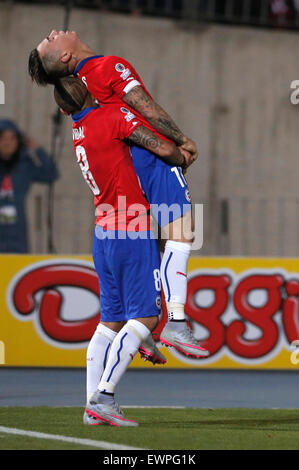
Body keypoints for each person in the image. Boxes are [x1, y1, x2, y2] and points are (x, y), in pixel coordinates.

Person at [28, 30, 209, 360]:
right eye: (49, 40)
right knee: (181, 236)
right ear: (65, 57)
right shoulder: (106, 67)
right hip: (154, 157)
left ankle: (146, 328)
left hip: (131, 163)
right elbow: (147, 108)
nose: (54, 33)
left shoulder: (84, 87)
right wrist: (183, 140)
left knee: (157, 245)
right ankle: (177, 322)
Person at [53, 76, 191, 426]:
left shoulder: (79, 128)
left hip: (103, 231)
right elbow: (160, 147)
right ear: (88, 92)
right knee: (145, 316)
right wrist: (182, 152)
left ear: (62, 108)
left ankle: (90, 407)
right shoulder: (111, 116)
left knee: (110, 322)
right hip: (131, 229)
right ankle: (105, 397)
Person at [0, 119, 58, 253]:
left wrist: (38, 150)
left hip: (16, 232)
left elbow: (51, 174)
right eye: (2, 138)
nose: (7, 142)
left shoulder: (25, 165)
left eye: (12, 138)